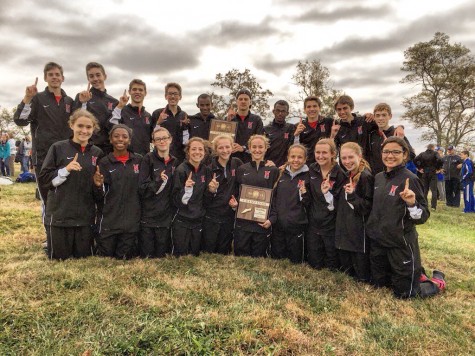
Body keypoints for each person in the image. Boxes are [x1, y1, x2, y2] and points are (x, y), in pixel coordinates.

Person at [367, 136, 446, 298]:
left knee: (406, 293)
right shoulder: (378, 178)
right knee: (380, 284)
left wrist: (411, 203)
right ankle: (417, 273)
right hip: (378, 244)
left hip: (400, 244)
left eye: (396, 152)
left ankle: (437, 282)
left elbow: (422, 217)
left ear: (405, 155)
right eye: (386, 151)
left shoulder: (411, 179)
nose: (390, 156)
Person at [38, 109, 104, 260]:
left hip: (84, 219)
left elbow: (98, 192)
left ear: (93, 129)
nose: (84, 130)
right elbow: (45, 179)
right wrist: (65, 170)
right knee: (59, 258)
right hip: (60, 217)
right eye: (80, 126)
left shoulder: (97, 153)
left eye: (88, 127)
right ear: (72, 125)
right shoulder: (58, 148)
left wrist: (97, 184)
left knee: (84, 257)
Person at [13, 62, 74, 204]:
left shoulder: (69, 101)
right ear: (45, 78)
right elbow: (20, 120)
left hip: (66, 156)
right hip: (43, 157)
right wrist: (27, 98)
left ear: (63, 78)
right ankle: (49, 226)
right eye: (50, 75)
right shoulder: (37, 98)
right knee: (48, 200)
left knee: (65, 198)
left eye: (57, 74)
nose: (54, 77)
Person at [95, 124, 142, 259]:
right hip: (109, 221)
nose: (120, 139)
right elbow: (98, 194)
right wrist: (98, 185)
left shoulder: (139, 160)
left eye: (124, 136)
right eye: (116, 136)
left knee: (125, 258)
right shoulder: (104, 162)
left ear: (130, 140)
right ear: (110, 140)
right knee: (106, 258)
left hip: (131, 223)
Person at [233, 135, 280, 257]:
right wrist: (234, 205)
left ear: (266, 149)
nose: (257, 150)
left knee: (258, 260)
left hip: (262, 223)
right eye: (254, 147)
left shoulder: (273, 170)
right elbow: (237, 194)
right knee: (241, 259)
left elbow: (275, 197)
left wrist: (272, 219)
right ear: (249, 148)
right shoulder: (242, 169)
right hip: (243, 222)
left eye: (260, 147)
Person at [335, 142, 374, 282]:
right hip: (347, 228)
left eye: (350, 157)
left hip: (359, 233)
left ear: (359, 156)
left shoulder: (365, 176)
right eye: (343, 158)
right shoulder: (348, 174)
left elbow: (367, 207)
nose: (346, 161)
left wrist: (352, 196)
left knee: (361, 276)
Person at [138, 127, 178, 258]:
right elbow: (142, 187)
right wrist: (157, 181)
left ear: (170, 139)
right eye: (158, 139)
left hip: (166, 214)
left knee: (162, 255)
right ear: (153, 142)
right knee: (147, 255)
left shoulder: (175, 162)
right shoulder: (147, 159)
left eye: (165, 138)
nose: (162, 141)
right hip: (148, 214)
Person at [306, 138, 346, 270]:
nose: (320, 156)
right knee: (314, 262)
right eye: (318, 152)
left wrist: (328, 193)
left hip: (332, 224)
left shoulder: (340, 173)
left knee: (332, 263)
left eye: (324, 153)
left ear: (333, 154)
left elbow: (340, 203)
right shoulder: (312, 168)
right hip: (314, 222)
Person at [268, 144, 310, 263]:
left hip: (297, 226)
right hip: (279, 226)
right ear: (288, 157)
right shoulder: (280, 173)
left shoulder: (309, 176)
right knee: (277, 261)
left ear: (305, 159)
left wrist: (304, 194)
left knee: (295, 262)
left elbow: (309, 203)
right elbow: (274, 198)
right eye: (293, 156)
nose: (296, 160)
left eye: (300, 157)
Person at [203, 135, 243, 254]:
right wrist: (211, 191)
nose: (225, 150)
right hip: (212, 215)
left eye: (227, 147)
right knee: (209, 250)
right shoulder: (209, 169)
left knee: (224, 250)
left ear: (232, 147)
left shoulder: (237, 163)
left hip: (229, 214)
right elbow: (204, 198)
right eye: (221, 148)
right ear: (216, 150)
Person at [171, 137, 211, 256]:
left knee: (194, 255)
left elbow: (206, 198)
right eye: (194, 149)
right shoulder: (181, 170)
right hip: (182, 219)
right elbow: (175, 199)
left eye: (200, 149)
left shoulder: (205, 170)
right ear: (188, 151)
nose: (197, 152)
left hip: (198, 219)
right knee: (181, 255)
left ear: (204, 152)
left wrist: (212, 190)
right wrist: (186, 190)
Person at [74, 62, 118, 154]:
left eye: (98, 75)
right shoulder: (81, 97)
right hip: (88, 148)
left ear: (104, 76)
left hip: (109, 149)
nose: (95, 79)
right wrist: (83, 102)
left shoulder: (114, 102)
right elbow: (76, 120)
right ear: (88, 79)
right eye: (91, 76)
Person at [368, 103, 415, 175]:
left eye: (384, 115)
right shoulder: (371, 135)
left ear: (390, 116)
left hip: (394, 177)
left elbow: (411, 154)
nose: (380, 118)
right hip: (376, 178)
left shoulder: (396, 133)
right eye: (378, 115)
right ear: (374, 117)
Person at [110, 79, 153, 156]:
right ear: (129, 92)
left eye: (140, 90)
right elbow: (110, 127)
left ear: (145, 93)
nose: (137, 92)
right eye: (134, 89)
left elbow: (152, 138)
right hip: (126, 159)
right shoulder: (121, 111)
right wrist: (120, 106)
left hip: (144, 160)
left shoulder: (148, 116)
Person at [332, 95, 377, 161]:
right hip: (347, 167)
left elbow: (383, 128)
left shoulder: (364, 121)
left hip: (365, 166)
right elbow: (333, 152)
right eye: (339, 109)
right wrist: (332, 136)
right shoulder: (337, 129)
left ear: (351, 107)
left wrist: (374, 118)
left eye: (345, 108)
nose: (342, 112)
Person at [152, 83, 189, 163]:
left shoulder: (184, 115)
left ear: (180, 97)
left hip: (179, 159)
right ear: (166, 96)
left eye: (175, 94)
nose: (172, 96)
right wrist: (158, 123)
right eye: (170, 94)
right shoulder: (157, 113)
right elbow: (152, 137)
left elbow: (186, 141)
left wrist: (185, 127)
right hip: (160, 159)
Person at [293, 96, 334, 164]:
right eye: (308, 107)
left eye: (315, 106)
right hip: (307, 166)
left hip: (325, 163)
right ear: (305, 109)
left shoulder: (329, 122)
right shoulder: (298, 126)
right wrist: (296, 134)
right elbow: (294, 148)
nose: (312, 109)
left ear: (319, 108)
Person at [229, 89, 264, 163]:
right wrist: (228, 121)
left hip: (250, 161)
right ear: (236, 101)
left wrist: (243, 147)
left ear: (250, 102)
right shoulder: (230, 119)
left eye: (246, 99)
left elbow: (259, 140)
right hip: (232, 161)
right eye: (240, 99)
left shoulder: (256, 119)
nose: (243, 101)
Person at [263, 100, 295, 167]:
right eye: (277, 110)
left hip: (285, 168)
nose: (280, 113)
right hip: (268, 166)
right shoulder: (265, 129)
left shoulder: (291, 128)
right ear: (273, 111)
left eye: (283, 111)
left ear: (287, 113)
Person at [414, 144, 443, 210]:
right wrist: (438, 168)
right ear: (433, 148)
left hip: (425, 172)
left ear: (427, 147)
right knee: (434, 190)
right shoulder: (435, 153)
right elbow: (440, 159)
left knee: (425, 190)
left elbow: (415, 160)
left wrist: (419, 167)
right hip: (433, 172)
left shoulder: (422, 154)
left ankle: (424, 205)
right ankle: (433, 206)